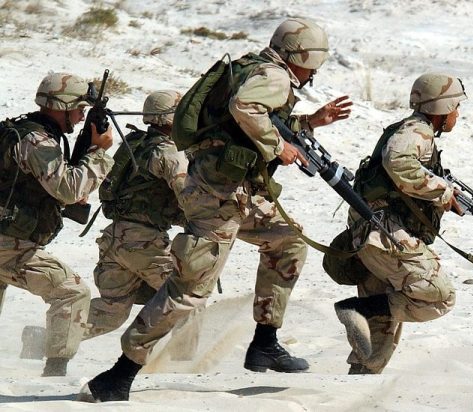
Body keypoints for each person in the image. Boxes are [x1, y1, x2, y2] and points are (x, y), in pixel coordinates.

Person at [80, 17, 352, 402]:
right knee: (190, 290)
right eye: (314, 65)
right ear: (303, 56)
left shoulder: (253, 68)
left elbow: (249, 122)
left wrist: (310, 122)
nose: (313, 74)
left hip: (237, 194)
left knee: (288, 241)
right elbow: (246, 108)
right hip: (217, 198)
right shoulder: (274, 76)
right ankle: (118, 375)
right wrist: (280, 148)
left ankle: (265, 341)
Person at [333, 73, 466, 374]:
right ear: (442, 108)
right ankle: (355, 309)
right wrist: (443, 191)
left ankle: (357, 384)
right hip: (385, 237)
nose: (458, 114)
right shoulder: (417, 131)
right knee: (440, 295)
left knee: (379, 331)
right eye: (456, 107)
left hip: (375, 235)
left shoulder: (410, 130)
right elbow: (398, 162)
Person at [0, 72, 113, 376]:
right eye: (79, 109)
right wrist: (98, 153)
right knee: (72, 293)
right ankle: (55, 373)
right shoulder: (37, 141)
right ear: (62, 106)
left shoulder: (20, 130)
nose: (81, 117)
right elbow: (67, 189)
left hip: (8, 237)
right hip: (9, 245)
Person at [83, 90, 195, 346]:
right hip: (145, 244)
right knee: (188, 297)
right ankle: (186, 361)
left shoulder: (135, 145)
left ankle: (49, 337)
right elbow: (189, 198)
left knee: (110, 312)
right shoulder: (170, 152)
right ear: (172, 119)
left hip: (115, 238)